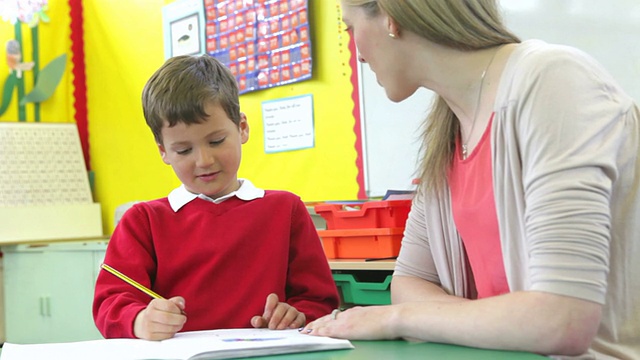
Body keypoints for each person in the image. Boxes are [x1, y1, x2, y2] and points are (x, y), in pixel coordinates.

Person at [303, 1, 640, 359]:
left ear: (390, 17)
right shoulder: (449, 129)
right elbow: (409, 283)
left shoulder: (552, 79)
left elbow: (561, 320)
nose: (357, 52)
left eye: (349, 27)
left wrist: (398, 318)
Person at [93, 54, 339, 340]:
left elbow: (319, 301)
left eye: (216, 141)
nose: (204, 161)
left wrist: (297, 314)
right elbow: (109, 303)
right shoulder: (143, 221)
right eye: (184, 151)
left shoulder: (286, 211)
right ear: (163, 151)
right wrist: (139, 320)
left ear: (242, 128)